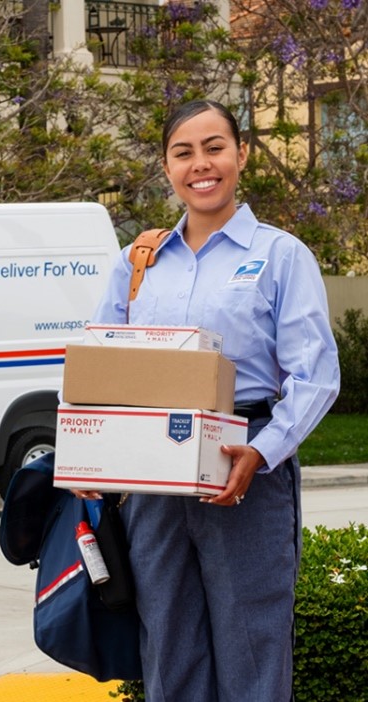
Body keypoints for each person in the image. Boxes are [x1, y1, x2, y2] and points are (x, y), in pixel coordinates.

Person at [73, 99, 340, 701]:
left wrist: (262, 452)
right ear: (167, 166)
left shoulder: (280, 255)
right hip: (152, 480)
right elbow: (102, 367)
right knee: (167, 639)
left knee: (252, 640)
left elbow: (317, 372)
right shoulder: (137, 263)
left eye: (214, 147)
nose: (201, 165)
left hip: (243, 464)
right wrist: (90, 456)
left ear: (241, 155)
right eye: (183, 152)